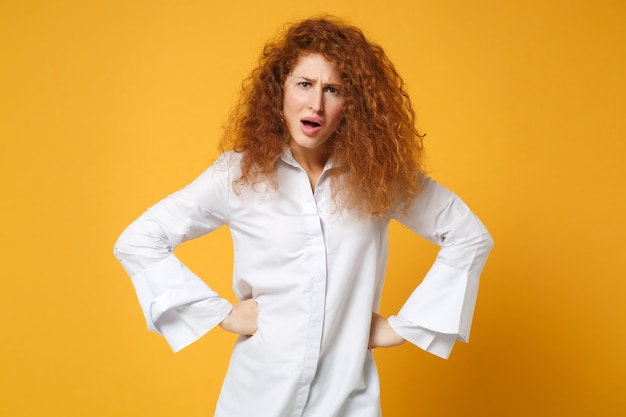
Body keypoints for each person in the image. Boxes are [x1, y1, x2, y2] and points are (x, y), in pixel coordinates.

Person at [114, 16, 493, 417]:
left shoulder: (377, 177)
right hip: (255, 401)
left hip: (348, 403)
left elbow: (468, 236)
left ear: (353, 105)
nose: (316, 104)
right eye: (305, 85)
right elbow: (138, 241)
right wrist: (220, 314)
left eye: (333, 90)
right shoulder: (237, 176)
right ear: (280, 91)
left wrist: (404, 327)